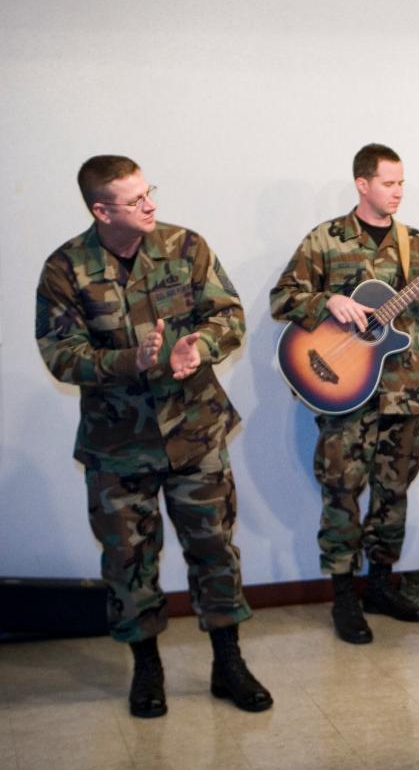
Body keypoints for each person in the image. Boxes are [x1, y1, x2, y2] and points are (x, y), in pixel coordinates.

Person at [36, 155, 271, 718]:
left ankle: (228, 664)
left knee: (215, 550)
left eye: (150, 193)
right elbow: (61, 355)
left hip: (195, 431)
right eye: (135, 200)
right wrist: (129, 360)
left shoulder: (186, 246)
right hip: (117, 445)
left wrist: (201, 347)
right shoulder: (65, 269)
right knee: (129, 560)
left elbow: (229, 315)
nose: (151, 206)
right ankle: (147, 669)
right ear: (101, 210)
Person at [269, 143, 419, 643]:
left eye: (402, 182)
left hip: (403, 392)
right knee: (341, 493)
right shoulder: (327, 239)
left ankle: (380, 585)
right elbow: (283, 299)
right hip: (344, 391)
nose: (398, 192)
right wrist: (329, 301)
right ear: (362, 184)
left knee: (394, 493)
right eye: (388, 183)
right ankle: (343, 597)